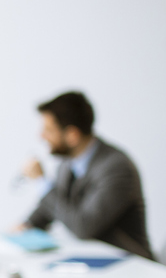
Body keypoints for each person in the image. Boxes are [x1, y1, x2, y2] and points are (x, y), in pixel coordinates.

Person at [20, 91, 154, 260]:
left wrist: (41, 182)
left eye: (48, 130)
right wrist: (28, 225)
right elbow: (55, 206)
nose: (41, 136)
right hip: (91, 260)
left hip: (130, 264)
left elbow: (83, 227)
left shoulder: (116, 167)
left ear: (72, 135)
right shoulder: (67, 164)